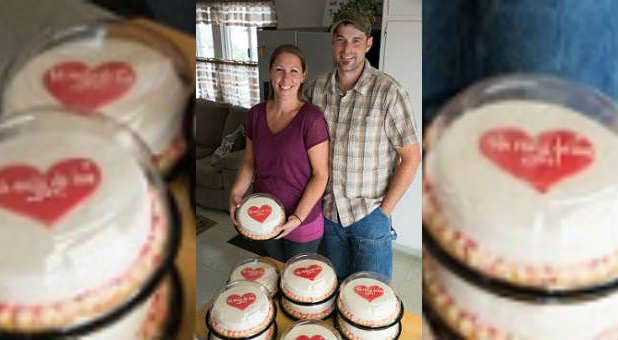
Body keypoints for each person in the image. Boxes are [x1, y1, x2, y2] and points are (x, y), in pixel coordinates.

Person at [305, 10, 421, 280]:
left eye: (356, 41)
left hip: (369, 217)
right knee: (334, 291)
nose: (347, 49)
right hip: (328, 215)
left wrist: (384, 213)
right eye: (341, 40)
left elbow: (412, 157)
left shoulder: (389, 92)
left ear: (369, 43)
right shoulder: (317, 88)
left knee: (371, 302)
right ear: (332, 42)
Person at [229, 44, 329, 262]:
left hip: (302, 223)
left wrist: (297, 218)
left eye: (294, 71)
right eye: (279, 69)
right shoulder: (255, 114)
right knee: (273, 271)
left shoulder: (312, 119)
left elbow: (321, 175)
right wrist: (236, 193)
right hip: (263, 217)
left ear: (303, 76)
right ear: (270, 73)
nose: (286, 78)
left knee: (295, 284)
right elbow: (249, 163)